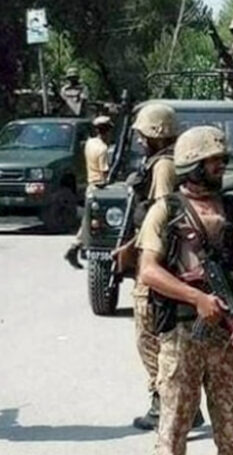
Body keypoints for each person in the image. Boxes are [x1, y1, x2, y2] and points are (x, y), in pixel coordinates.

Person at [137, 125, 233, 455]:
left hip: (228, 340)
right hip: (182, 337)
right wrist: (196, 298)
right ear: (192, 164)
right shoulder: (165, 211)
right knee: (170, 446)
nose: (221, 166)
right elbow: (148, 271)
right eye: (213, 160)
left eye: (223, 159)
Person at [113, 103, 198, 431]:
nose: (139, 140)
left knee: (149, 336)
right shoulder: (167, 161)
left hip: (157, 261)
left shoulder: (163, 166)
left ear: (156, 134)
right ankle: (180, 403)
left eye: (143, 134)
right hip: (160, 256)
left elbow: (162, 215)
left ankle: (164, 401)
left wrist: (134, 247)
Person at [64, 115, 114, 268]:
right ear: (108, 132)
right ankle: (77, 247)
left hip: (90, 185)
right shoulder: (103, 149)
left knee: (87, 220)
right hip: (100, 187)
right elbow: (105, 173)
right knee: (95, 222)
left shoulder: (90, 143)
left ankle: (77, 247)